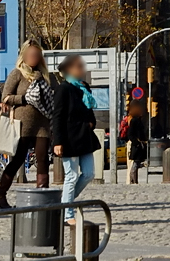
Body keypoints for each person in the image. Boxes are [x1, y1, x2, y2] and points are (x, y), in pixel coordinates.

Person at [0, 39, 54, 207]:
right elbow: (5, 97)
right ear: (24, 56)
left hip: (42, 124)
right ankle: (1, 194)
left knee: (43, 160)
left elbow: (55, 94)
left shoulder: (45, 75)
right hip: (22, 126)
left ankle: (43, 199)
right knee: (18, 160)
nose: (34, 58)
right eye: (31, 55)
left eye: (37, 55)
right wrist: (24, 98)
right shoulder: (17, 73)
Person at [52, 54, 100, 227]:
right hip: (69, 138)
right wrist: (58, 141)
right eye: (78, 66)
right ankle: (67, 213)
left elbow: (89, 110)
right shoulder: (63, 89)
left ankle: (65, 200)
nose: (82, 69)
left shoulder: (83, 88)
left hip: (84, 137)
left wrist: (91, 123)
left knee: (89, 174)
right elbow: (57, 116)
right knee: (71, 176)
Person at [124, 103, 147, 184]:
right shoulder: (134, 120)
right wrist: (136, 142)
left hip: (139, 145)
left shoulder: (138, 120)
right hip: (136, 145)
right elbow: (130, 134)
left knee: (136, 163)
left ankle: (133, 180)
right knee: (135, 163)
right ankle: (132, 180)